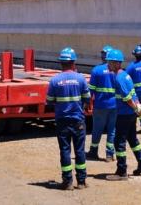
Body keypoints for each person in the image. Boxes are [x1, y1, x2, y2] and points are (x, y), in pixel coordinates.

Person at [45, 47, 90, 190]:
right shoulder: (80, 78)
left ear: (61, 63)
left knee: (65, 150)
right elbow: (87, 98)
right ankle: (81, 181)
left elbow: (49, 100)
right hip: (78, 120)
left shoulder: (54, 80)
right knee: (80, 151)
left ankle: (67, 182)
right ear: (73, 63)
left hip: (62, 121)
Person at [107, 48, 141, 180]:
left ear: (116, 63)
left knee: (119, 141)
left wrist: (136, 107)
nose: (108, 64)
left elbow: (127, 98)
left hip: (124, 114)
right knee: (133, 139)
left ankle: (122, 171)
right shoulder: (125, 75)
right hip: (130, 113)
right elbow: (133, 93)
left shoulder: (119, 78)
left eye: (110, 62)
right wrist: (138, 108)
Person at [87, 45, 116, 161]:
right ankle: (109, 154)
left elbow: (91, 90)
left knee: (97, 129)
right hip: (114, 105)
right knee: (112, 130)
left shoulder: (96, 70)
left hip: (100, 105)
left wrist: (86, 102)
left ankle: (93, 151)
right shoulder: (117, 71)